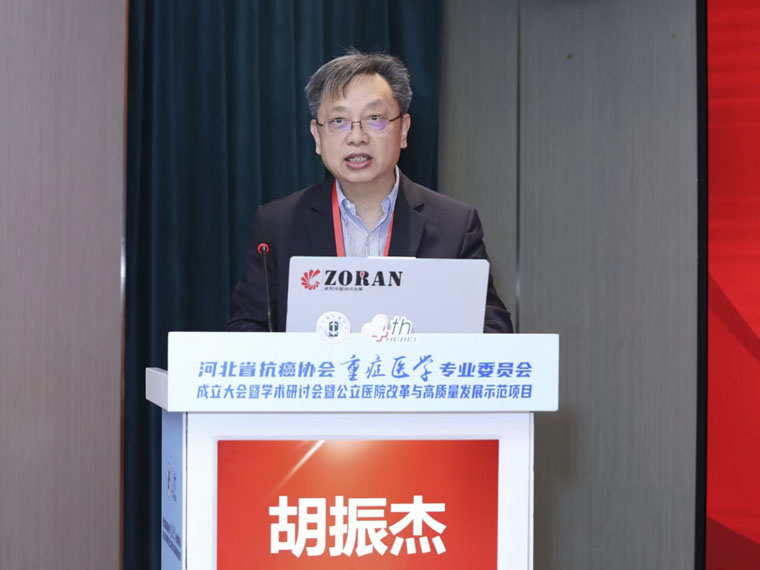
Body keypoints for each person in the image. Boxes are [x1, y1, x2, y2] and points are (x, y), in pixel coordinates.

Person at [226, 50, 513, 333]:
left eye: (375, 118)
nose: (357, 137)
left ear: (403, 130)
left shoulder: (454, 225)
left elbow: (493, 330)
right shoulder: (278, 225)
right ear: (317, 136)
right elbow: (246, 329)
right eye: (338, 121)